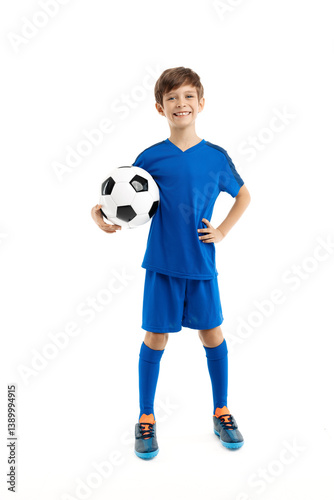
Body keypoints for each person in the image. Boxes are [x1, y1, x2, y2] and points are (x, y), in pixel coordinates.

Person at [91, 66, 251, 460]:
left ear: (201, 102)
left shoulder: (215, 157)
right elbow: (123, 198)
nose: (181, 104)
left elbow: (244, 196)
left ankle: (221, 410)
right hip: (161, 266)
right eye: (172, 98)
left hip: (201, 266)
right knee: (155, 338)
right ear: (160, 108)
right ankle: (146, 417)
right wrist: (99, 214)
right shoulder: (151, 157)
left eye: (187, 97)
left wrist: (223, 231)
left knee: (213, 335)